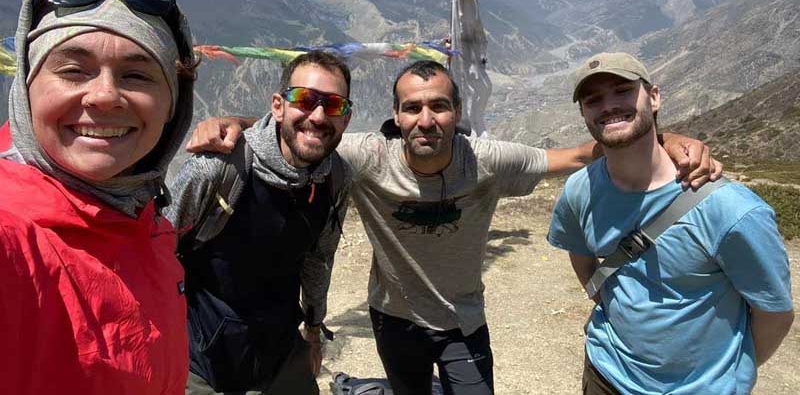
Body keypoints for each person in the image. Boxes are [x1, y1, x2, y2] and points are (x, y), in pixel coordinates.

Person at [189, 60, 720, 395]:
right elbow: (306, 128)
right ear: (396, 116)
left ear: (457, 112)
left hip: (462, 320)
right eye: (412, 108)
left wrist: (666, 140)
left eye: (439, 107)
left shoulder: (487, 160)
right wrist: (233, 123)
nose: (426, 120)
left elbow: (582, 154)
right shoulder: (366, 156)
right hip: (393, 320)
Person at [548, 52, 794, 395]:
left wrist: (724, 377)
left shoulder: (730, 210)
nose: (608, 106)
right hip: (605, 375)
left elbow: (774, 314)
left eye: (622, 90)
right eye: (593, 100)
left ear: (654, 97)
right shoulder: (580, 190)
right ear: (584, 113)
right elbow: (581, 255)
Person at [0, 0, 197, 394]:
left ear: (172, 105)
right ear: (27, 89)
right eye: (73, 70)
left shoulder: (145, 217)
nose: (105, 96)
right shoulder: (12, 235)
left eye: (137, 76)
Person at [167, 51, 353, 395]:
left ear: (347, 117)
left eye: (333, 105)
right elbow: (158, 246)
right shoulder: (220, 167)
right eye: (305, 99)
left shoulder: (336, 177)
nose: (317, 116)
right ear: (278, 106)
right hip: (201, 354)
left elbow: (318, 259)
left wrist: (313, 330)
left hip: (280, 350)